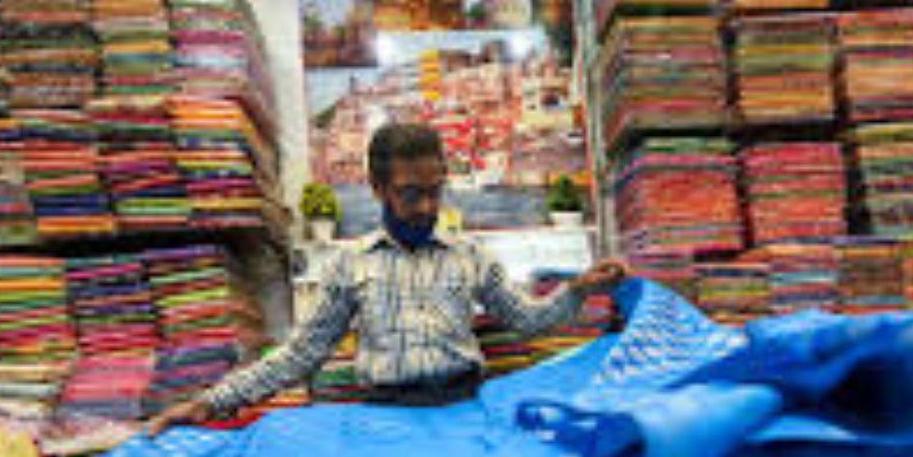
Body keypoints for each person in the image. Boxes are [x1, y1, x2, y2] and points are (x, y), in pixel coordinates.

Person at [147, 122, 627, 435]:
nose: (426, 207)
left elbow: (528, 320)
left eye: (435, 191)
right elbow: (299, 355)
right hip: (384, 424)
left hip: (465, 413)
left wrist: (580, 289)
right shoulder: (350, 265)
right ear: (377, 189)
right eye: (409, 193)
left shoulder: (469, 256)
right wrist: (211, 403)